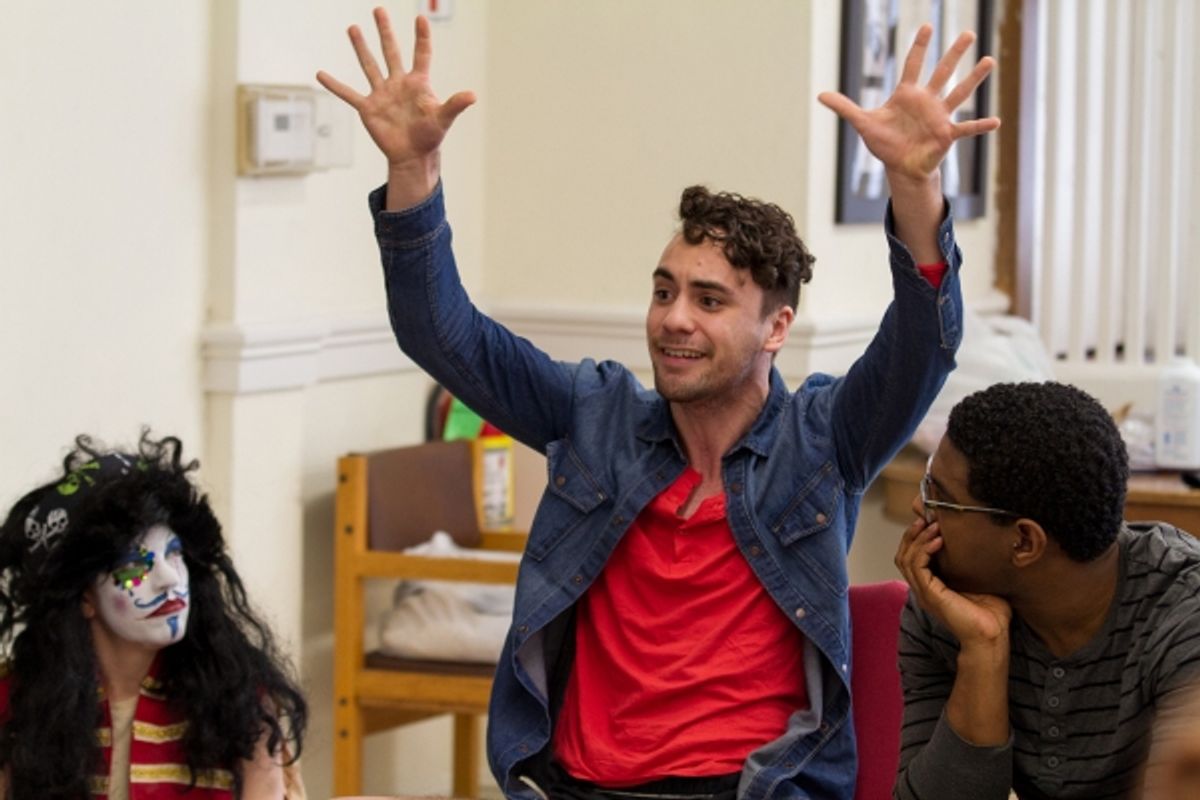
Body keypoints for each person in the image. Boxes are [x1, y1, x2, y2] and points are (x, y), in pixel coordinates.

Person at [318, 9, 998, 799]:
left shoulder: (824, 440)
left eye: (709, 300)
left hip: (749, 787)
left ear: (777, 327)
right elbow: (444, 337)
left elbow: (924, 345)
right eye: (664, 290)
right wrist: (414, 176)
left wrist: (915, 187)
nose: (674, 317)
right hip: (571, 784)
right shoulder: (593, 414)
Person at [893, 381, 1200, 800]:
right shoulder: (944, 607)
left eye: (938, 497)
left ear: (1024, 542)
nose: (918, 507)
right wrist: (983, 650)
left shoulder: (1183, 615)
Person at [0, 432, 307, 799]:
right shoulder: (17, 701)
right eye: (135, 566)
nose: (169, 579)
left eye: (174, 554)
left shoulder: (239, 700)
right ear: (84, 597)